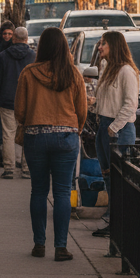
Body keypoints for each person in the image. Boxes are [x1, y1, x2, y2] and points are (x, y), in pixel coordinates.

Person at [15, 27, 87, 261]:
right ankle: (61, 247)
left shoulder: (28, 73)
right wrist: (74, 129)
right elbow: (82, 110)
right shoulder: (73, 74)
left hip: (36, 135)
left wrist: (31, 121)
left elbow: (20, 110)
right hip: (66, 136)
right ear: (65, 47)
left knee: (38, 191)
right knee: (63, 192)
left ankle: (39, 244)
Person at [92, 31, 139, 233]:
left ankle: (119, 224)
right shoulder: (106, 67)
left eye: (104, 44)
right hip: (104, 125)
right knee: (108, 175)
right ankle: (113, 220)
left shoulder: (126, 71)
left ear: (115, 46)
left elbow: (131, 104)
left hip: (118, 129)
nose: (100, 47)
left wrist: (113, 127)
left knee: (119, 178)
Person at [0, 26, 36, 179]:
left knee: (8, 135)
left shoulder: (3, 56)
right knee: (27, 134)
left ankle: (9, 168)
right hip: (29, 101)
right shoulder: (33, 57)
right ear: (27, 38)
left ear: (14, 38)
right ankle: (26, 168)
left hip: (8, 100)